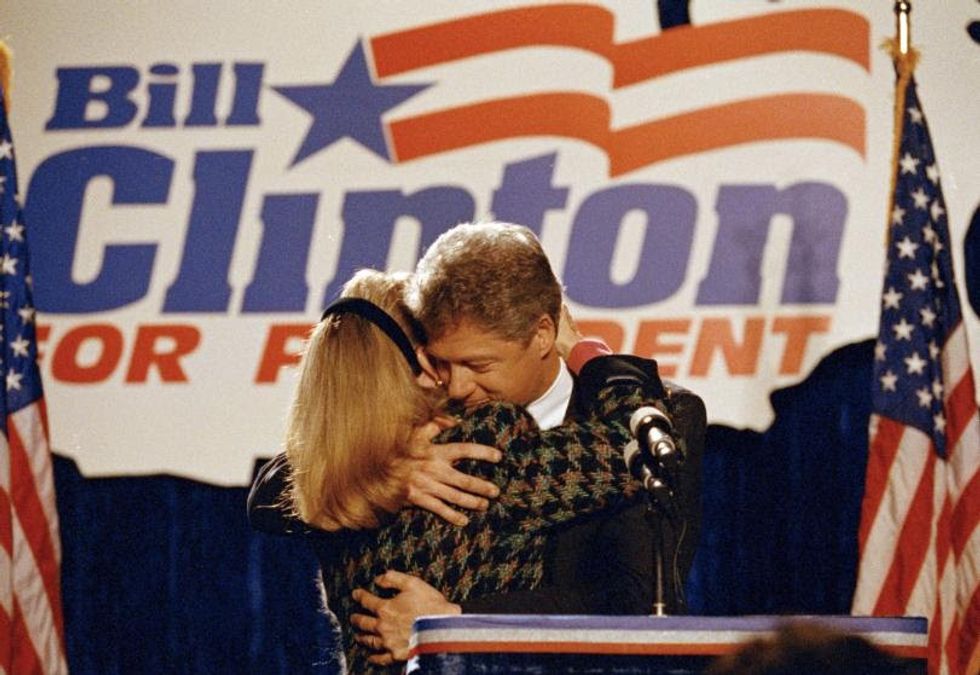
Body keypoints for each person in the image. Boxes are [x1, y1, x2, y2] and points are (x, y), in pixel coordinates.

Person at [248, 266, 671, 673]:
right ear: (419, 361)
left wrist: (388, 468)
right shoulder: (478, 444)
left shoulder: (327, 484)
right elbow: (629, 444)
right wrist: (584, 351)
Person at [350, 221, 702, 664]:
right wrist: (388, 471)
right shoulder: (431, 416)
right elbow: (286, 481)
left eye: (478, 364)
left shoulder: (663, 419)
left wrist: (457, 622)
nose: (457, 385)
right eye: (444, 361)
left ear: (541, 335)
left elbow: (629, 598)